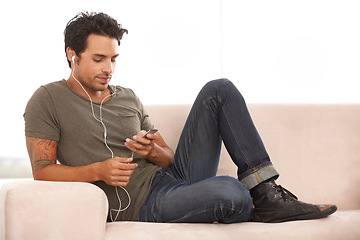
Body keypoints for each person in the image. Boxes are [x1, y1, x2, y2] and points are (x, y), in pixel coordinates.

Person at [24, 12, 337, 223]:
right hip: (139, 204)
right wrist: (98, 171)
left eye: (114, 59)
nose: (109, 68)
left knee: (220, 89)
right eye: (99, 59)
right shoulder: (48, 99)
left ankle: (266, 191)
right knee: (231, 192)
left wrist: (151, 151)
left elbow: (168, 158)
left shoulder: (127, 97)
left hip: (172, 180)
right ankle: (250, 198)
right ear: (71, 54)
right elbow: (42, 170)